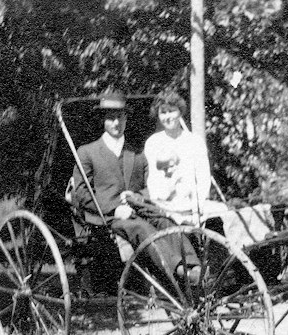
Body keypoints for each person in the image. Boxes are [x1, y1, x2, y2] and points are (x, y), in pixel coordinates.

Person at [69, 91, 197, 282]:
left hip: (138, 210)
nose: (116, 123)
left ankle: (194, 266)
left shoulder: (137, 154)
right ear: (104, 121)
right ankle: (179, 270)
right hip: (107, 218)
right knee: (141, 228)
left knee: (165, 222)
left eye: (120, 118)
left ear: (126, 119)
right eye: (111, 118)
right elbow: (80, 193)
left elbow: (150, 186)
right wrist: (115, 209)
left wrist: (138, 197)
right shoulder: (87, 152)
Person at [143, 90, 228, 225]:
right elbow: (152, 180)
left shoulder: (194, 141)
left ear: (180, 112)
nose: (168, 116)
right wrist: (165, 195)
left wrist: (196, 205)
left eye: (172, 111)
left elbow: (203, 178)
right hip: (165, 205)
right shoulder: (153, 143)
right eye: (163, 112)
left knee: (223, 212)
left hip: (193, 205)